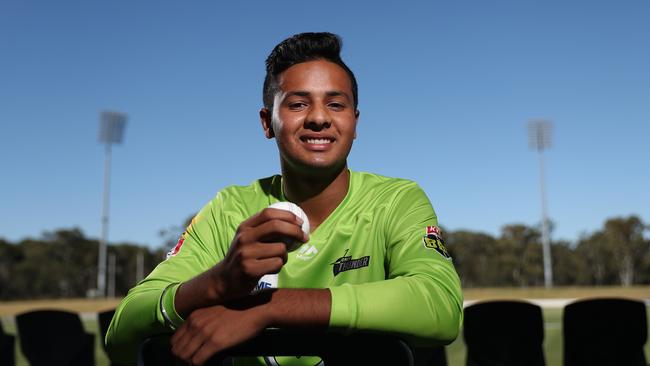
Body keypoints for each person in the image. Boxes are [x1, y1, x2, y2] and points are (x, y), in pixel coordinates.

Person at [106, 32, 463, 366]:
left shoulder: (396, 199)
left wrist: (267, 308)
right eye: (297, 104)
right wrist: (218, 282)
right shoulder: (229, 208)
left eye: (336, 104)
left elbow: (440, 306)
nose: (319, 118)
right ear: (267, 122)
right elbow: (124, 325)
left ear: (355, 122)